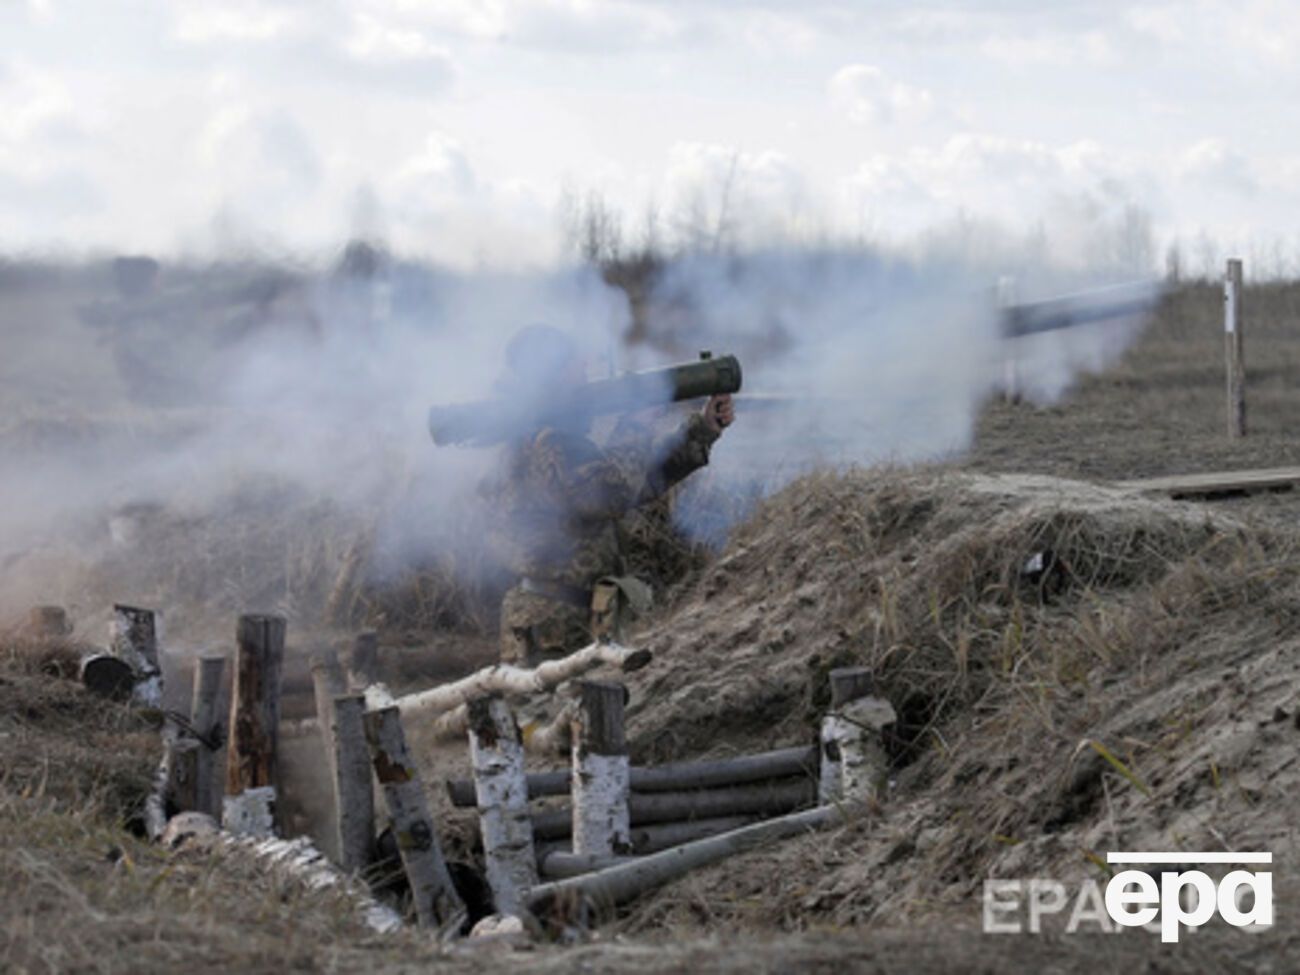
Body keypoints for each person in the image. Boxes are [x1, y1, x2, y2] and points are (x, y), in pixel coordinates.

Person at [484, 324, 735, 665]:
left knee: (584, 714)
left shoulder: (552, 437)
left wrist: (701, 432)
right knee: (546, 717)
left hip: (568, 614)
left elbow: (632, 486)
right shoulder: (547, 443)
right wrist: (636, 425)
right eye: (577, 367)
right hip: (551, 624)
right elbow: (611, 494)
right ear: (551, 375)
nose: (587, 375)